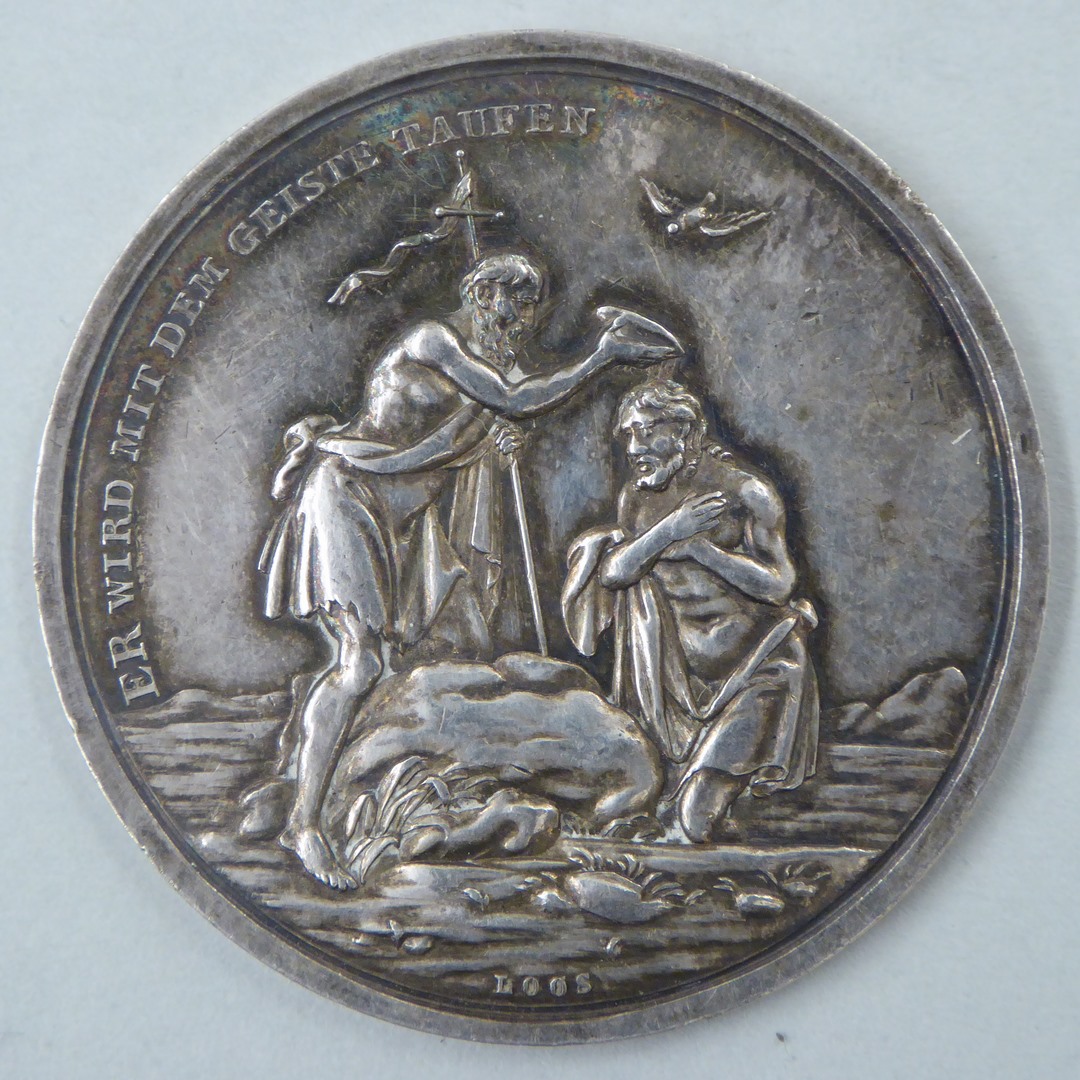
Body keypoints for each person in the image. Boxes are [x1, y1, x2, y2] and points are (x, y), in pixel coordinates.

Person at [259, 254, 679, 887]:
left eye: (528, 307)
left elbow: (492, 416)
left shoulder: (488, 370)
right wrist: (599, 356)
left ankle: (411, 779)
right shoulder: (433, 341)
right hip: (350, 494)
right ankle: (307, 823)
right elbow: (511, 398)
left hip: (404, 518)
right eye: (507, 302)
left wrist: (497, 437)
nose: (518, 319)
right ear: (479, 297)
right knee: (359, 663)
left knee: (436, 647)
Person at [562, 379, 819, 842]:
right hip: (674, 678)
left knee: (695, 823)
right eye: (629, 435)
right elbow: (614, 573)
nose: (634, 448)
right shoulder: (637, 497)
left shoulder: (746, 492)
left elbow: (780, 584)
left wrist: (704, 552)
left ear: (683, 431)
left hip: (753, 667)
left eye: (646, 432)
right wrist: (671, 529)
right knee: (648, 808)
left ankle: (709, 796)